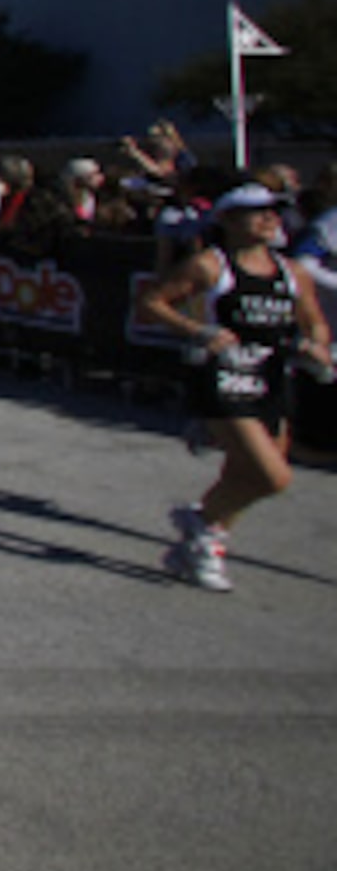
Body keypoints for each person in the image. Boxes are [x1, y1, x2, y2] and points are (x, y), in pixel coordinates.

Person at [138, 180, 333, 591]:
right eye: (257, 211)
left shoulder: (291, 271)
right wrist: (196, 329)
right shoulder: (211, 266)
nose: (269, 218)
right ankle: (202, 523)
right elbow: (151, 302)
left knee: (242, 474)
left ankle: (200, 544)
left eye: (274, 211)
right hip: (222, 378)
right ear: (228, 219)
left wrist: (316, 345)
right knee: (272, 477)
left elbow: (313, 319)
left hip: (272, 380)